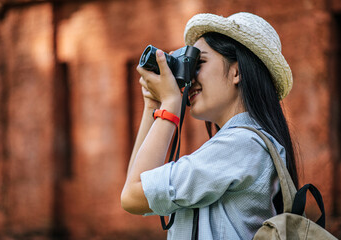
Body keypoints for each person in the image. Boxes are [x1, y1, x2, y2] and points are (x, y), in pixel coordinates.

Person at [121, 12, 299, 240]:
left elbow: (133, 195)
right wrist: (152, 106)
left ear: (237, 71)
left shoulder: (241, 145)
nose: (190, 79)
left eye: (199, 63)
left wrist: (171, 105)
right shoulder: (240, 145)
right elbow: (139, 186)